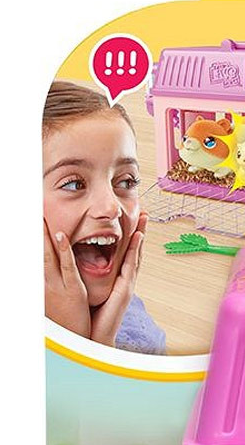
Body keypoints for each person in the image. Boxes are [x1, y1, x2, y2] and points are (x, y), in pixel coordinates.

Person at [42, 81, 165, 354]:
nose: (111, 207)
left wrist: (95, 348)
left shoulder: (139, 338)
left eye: (126, 181)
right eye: (74, 184)